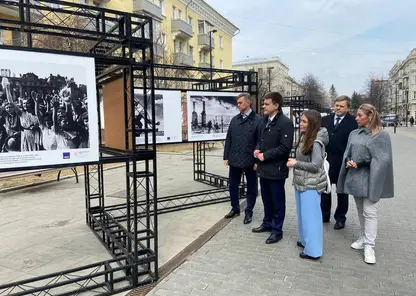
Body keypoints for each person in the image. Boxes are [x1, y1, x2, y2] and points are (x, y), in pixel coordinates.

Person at [337, 103, 394, 264]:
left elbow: (383, 160)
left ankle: (370, 245)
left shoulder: (380, 135)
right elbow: (348, 152)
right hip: (356, 178)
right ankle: (363, 237)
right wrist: (348, 161)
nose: (356, 118)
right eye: (356, 115)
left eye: (360, 115)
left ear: (370, 116)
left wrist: (361, 162)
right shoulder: (354, 133)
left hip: (371, 179)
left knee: (370, 212)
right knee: (361, 210)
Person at [252, 92, 294, 244]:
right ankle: (267, 223)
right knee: (266, 199)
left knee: (277, 201)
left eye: (267, 104)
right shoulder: (263, 121)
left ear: (276, 106)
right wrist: (257, 150)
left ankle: (277, 230)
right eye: (264, 103)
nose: (264, 106)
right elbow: (259, 140)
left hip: (276, 169)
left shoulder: (285, 123)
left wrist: (266, 155)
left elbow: (285, 148)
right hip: (263, 169)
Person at [287, 110, 329, 260]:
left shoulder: (316, 142)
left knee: (311, 218)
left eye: (304, 121)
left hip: (310, 184)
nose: (300, 124)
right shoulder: (306, 137)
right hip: (302, 182)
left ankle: (313, 250)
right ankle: (305, 241)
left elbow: (316, 165)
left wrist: (296, 163)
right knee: (303, 216)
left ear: (313, 123)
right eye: (301, 121)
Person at [223, 93, 262, 224]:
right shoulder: (235, 120)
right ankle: (235, 208)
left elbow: (260, 141)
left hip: (250, 160)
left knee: (251, 188)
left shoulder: (258, 120)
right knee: (233, 185)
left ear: (248, 102)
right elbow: (229, 139)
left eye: (240, 102)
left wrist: (257, 161)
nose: (238, 105)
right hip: (234, 160)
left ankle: (249, 212)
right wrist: (226, 156)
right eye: (237, 103)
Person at [321, 95, 358, 229]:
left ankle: (340, 218)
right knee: (326, 189)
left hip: (343, 160)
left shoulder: (353, 122)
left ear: (348, 107)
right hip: (326, 160)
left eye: (342, 106)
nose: (338, 108)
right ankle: (324, 214)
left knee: (342, 191)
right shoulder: (325, 119)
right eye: (336, 105)